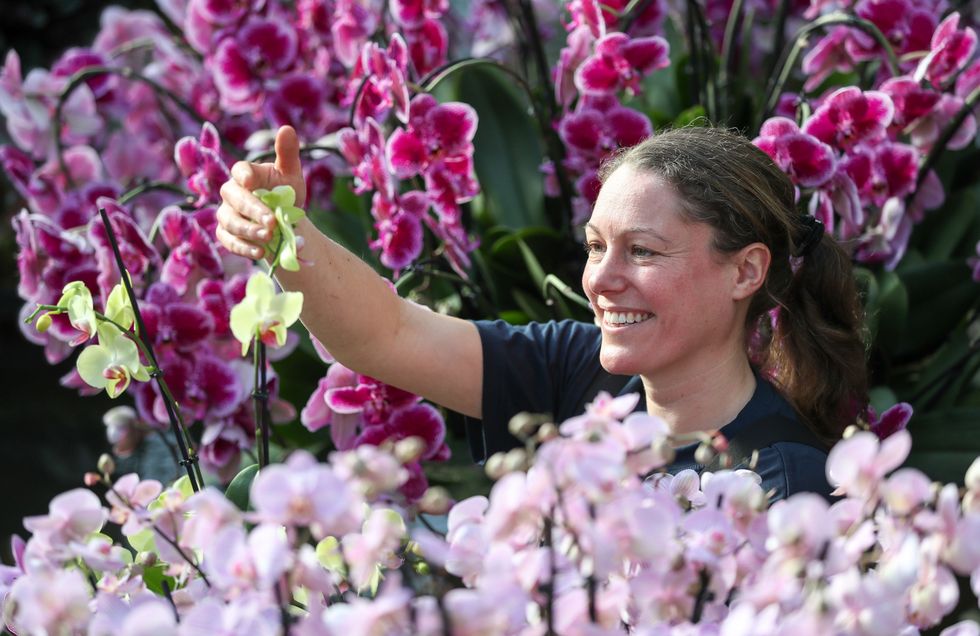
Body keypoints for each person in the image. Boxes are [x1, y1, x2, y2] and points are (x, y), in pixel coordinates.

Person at [216, 125, 868, 501]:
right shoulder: (581, 371)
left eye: (641, 251)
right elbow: (385, 335)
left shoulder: (781, 483)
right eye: (594, 247)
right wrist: (284, 233)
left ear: (745, 270)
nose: (602, 280)